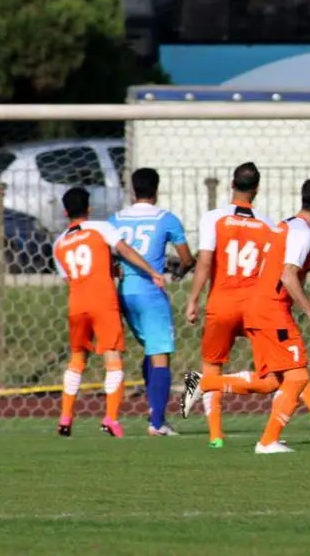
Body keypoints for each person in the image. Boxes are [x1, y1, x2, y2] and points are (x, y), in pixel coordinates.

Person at [182, 177, 310, 453]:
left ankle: (204, 382)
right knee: (298, 376)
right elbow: (288, 275)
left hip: (257, 306)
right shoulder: (303, 233)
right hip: (271, 310)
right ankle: (267, 441)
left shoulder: (284, 225)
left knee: (271, 382)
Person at [54, 187, 167, 438]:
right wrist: (152, 272)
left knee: (77, 360)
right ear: (89, 208)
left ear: (65, 212)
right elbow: (124, 250)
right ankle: (110, 419)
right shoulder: (100, 228)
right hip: (103, 302)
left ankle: (65, 418)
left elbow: (69, 279)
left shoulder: (59, 242)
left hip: (76, 303)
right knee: (113, 360)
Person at [183, 162, 274, 448]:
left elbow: (205, 262)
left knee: (211, 366)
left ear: (231, 184)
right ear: (257, 190)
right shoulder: (268, 224)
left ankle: (215, 435)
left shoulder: (213, 218)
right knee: (275, 372)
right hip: (255, 306)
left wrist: (193, 299)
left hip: (221, 303)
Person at [109, 168, 194, 437]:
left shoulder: (115, 219)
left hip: (124, 292)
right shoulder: (166, 219)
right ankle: (157, 422)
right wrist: (181, 270)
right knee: (160, 356)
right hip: (150, 291)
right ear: (156, 191)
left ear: (133, 191)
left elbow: (109, 254)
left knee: (150, 349)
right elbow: (186, 257)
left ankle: (153, 412)